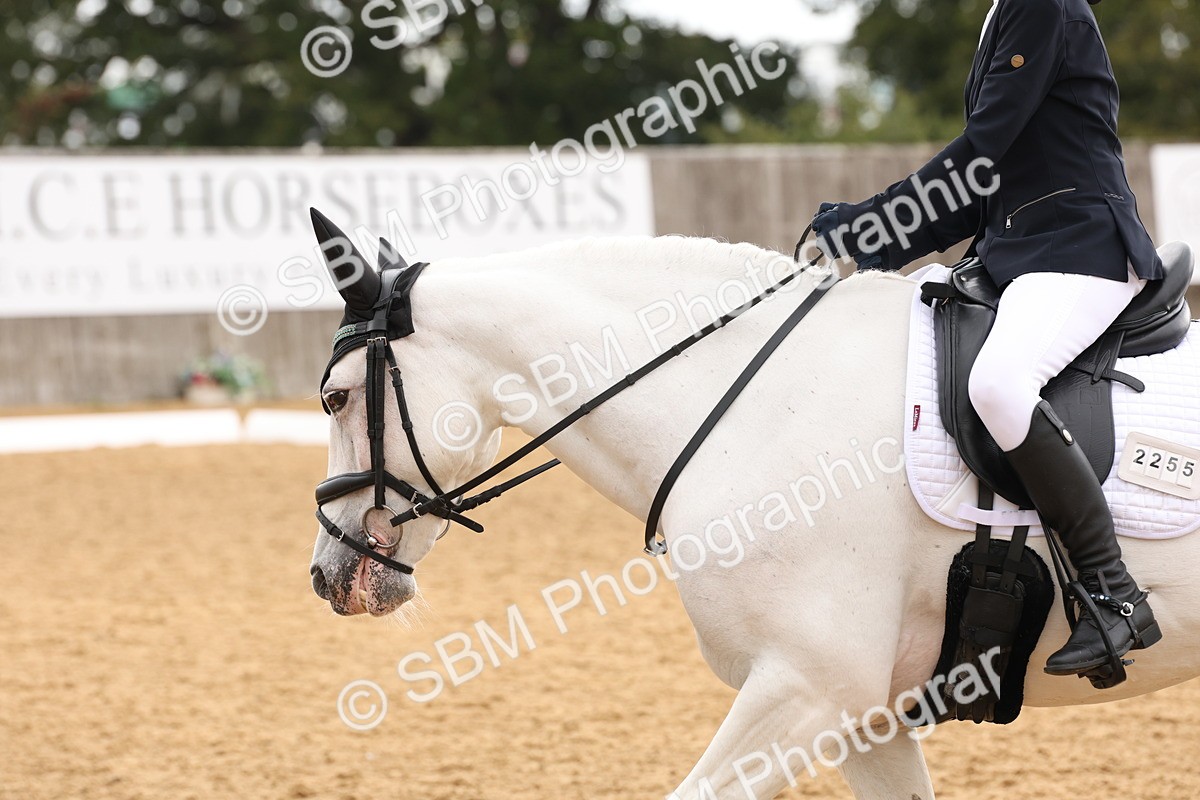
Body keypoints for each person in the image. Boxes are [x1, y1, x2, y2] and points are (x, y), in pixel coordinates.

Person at [811, 0, 1162, 679]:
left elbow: (979, 154)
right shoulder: (1005, 11)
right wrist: (874, 244)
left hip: (1079, 246)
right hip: (1022, 247)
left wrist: (865, 226)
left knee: (999, 384)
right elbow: (984, 187)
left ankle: (1113, 595)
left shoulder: (1043, 6)